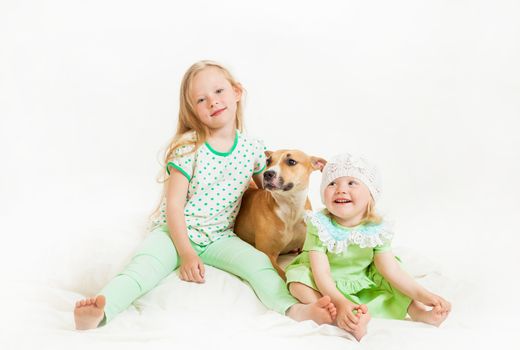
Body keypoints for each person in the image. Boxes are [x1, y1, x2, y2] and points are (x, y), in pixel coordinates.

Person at [73, 60, 336, 330]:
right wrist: (187, 253)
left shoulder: (253, 149)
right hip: (175, 233)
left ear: (237, 92)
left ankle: (297, 310)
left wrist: (292, 229)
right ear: (193, 110)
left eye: (219, 92)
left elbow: (264, 195)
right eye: (201, 99)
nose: (212, 101)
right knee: (143, 267)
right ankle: (100, 311)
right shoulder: (188, 147)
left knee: (260, 265)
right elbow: (174, 205)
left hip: (220, 237)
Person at [285, 153, 451, 341]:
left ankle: (419, 312)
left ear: (370, 194)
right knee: (297, 283)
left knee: (394, 282)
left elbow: (391, 270)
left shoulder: (377, 228)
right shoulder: (319, 224)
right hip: (324, 278)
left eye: (351, 183)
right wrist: (340, 301)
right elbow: (321, 273)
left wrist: (424, 295)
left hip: (361, 277)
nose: (340, 189)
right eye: (332, 184)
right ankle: (333, 312)